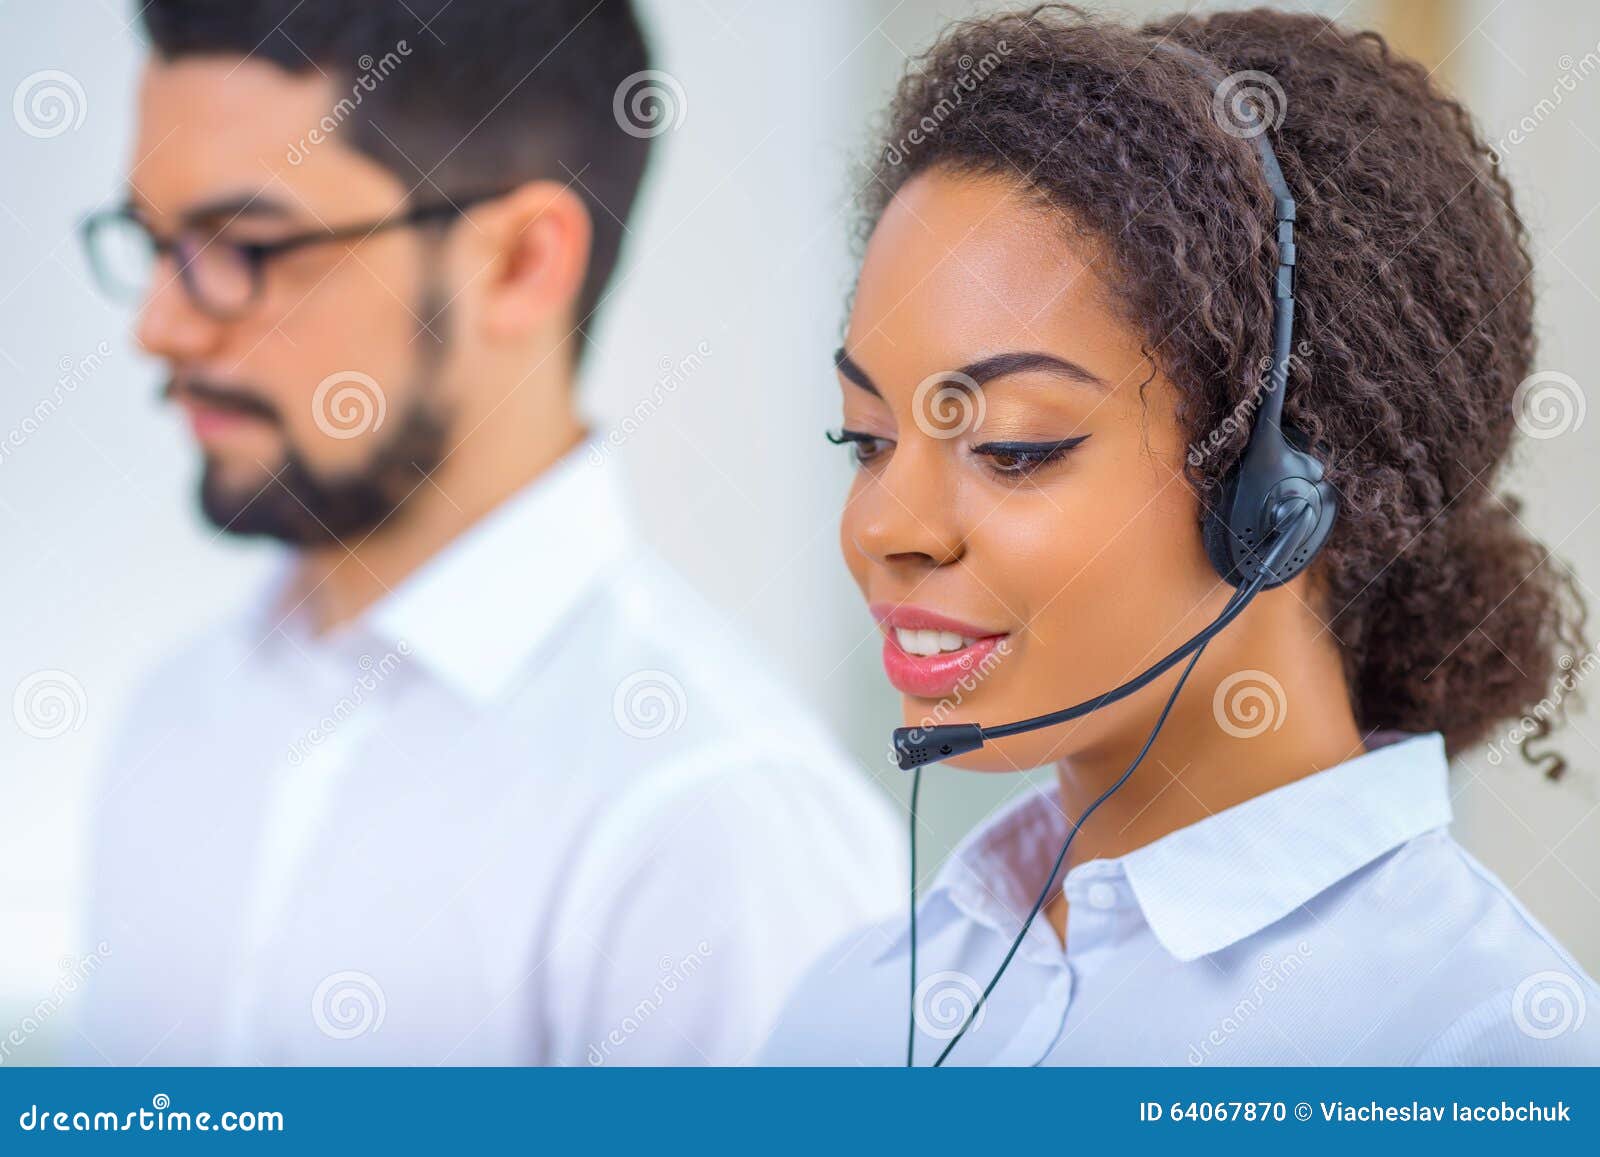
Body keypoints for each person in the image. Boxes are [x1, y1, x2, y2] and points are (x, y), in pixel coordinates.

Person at [763, 6, 1600, 1066]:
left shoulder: (1477, 1044)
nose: (882, 524)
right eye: (867, 439)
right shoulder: (845, 1013)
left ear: (1282, 495)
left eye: (1015, 447)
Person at [73, 0, 901, 1065]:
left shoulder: (713, 818)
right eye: (154, 241)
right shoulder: (173, 718)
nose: (161, 324)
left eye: (246, 246)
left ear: (519, 262)